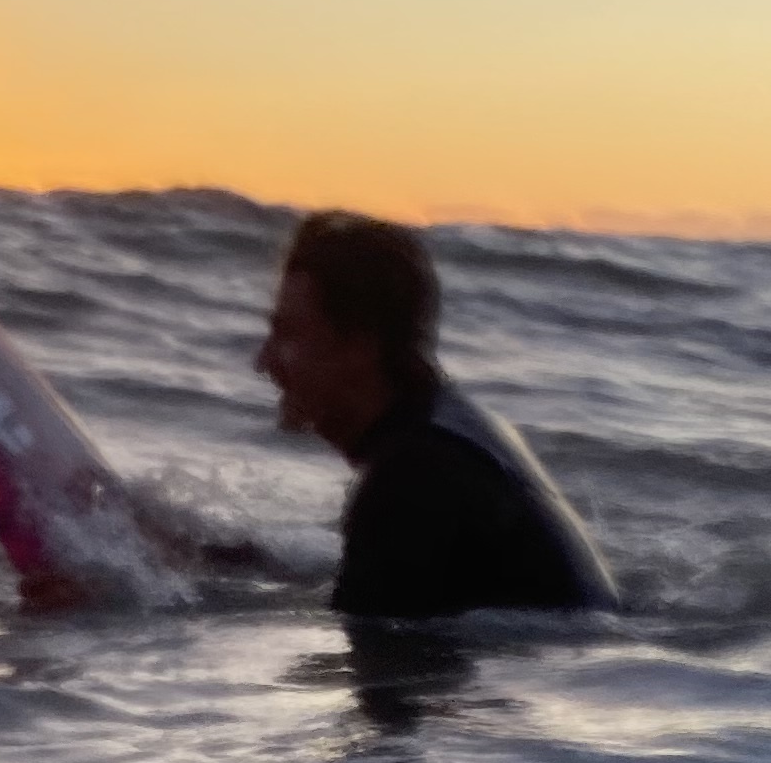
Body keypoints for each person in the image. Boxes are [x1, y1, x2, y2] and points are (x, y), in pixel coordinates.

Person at [255, 212, 620, 621]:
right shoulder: (453, 434)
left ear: (360, 347)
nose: (263, 361)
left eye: (287, 335)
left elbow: (383, 661)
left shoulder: (411, 480)